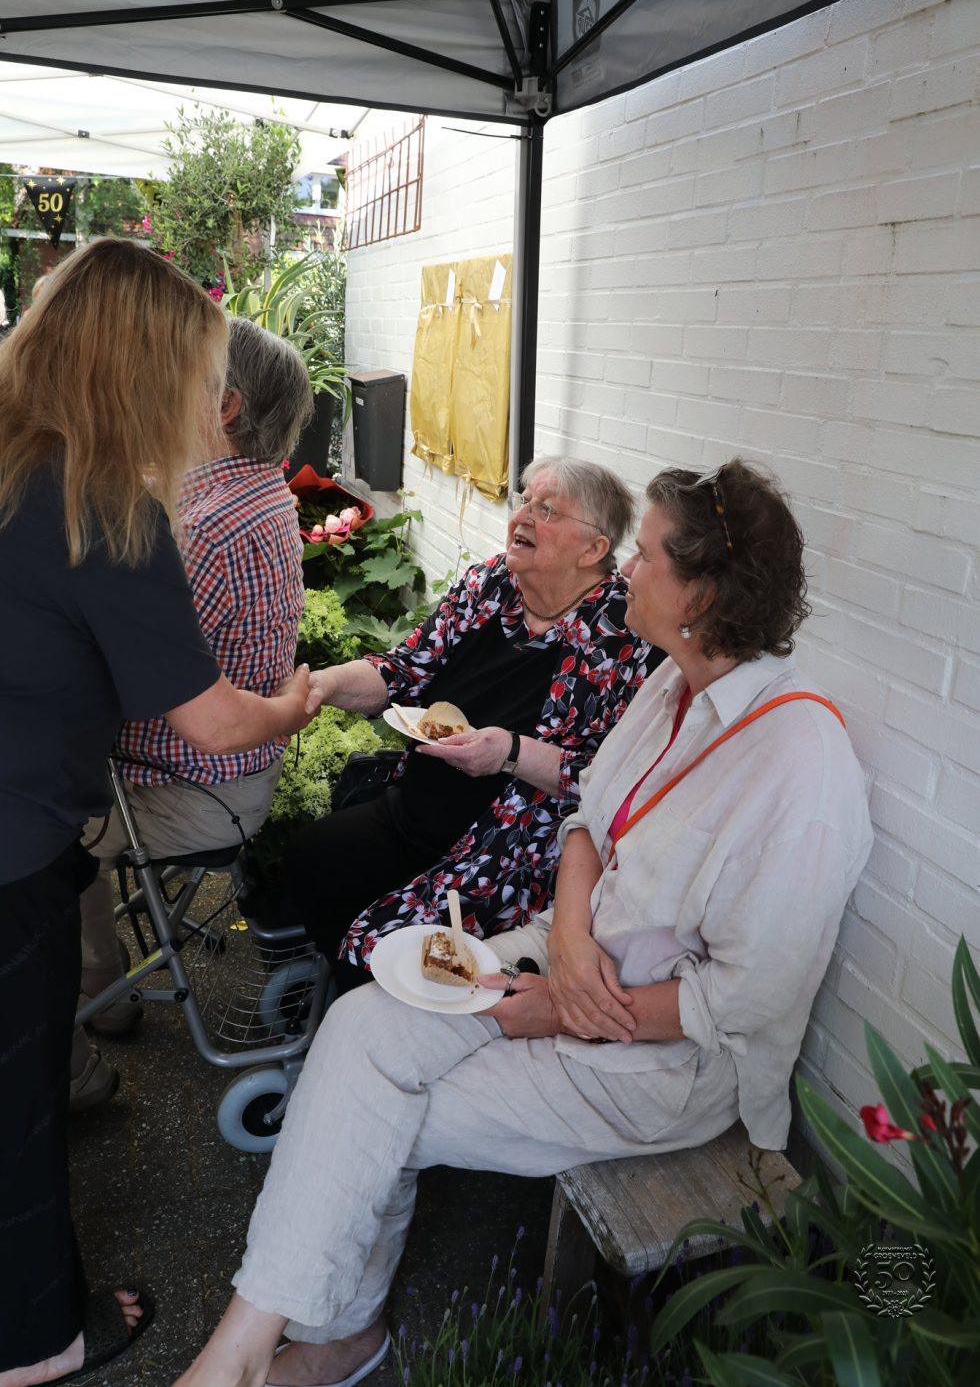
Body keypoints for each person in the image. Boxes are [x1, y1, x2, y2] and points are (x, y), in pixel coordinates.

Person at [172, 458, 873, 1387]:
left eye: (649, 556)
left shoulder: (800, 765)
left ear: (702, 591)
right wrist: (570, 941)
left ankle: (312, 1342)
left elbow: (748, 998)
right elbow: (589, 819)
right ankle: (255, 1349)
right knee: (362, 1022)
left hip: (662, 1058)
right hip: (561, 958)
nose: (627, 571)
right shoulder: (674, 689)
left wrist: (562, 1005)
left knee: (376, 1110)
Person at [0, 239, 315, 1387]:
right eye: (192, 373)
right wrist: (299, 698)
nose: (205, 401)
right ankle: (34, 1343)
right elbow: (219, 724)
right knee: (15, 1103)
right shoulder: (100, 507)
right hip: (12, 845)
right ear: (141, 371)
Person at [285, 456, 662, 989]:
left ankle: (361, 1025)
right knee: (308, 860)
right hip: (413, 812)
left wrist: (509, 752)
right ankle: (336, 1004)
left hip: (502, 853)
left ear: (593, 549)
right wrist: (324, 686)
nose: (524, 516)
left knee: (378, 953)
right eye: (525, 500)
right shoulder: (491, 584)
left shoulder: (626, 639)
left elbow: (609, 781)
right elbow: (403, 668)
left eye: (547, 509)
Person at [71, 316, 314, 1110]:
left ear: (224, 407)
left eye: (182, 378)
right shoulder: (261, 494)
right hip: (235, 774)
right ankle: (101, 984)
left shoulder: (200, 528)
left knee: (38, 821)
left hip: (189, 791)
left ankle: (93, 1007)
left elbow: (127, 680)